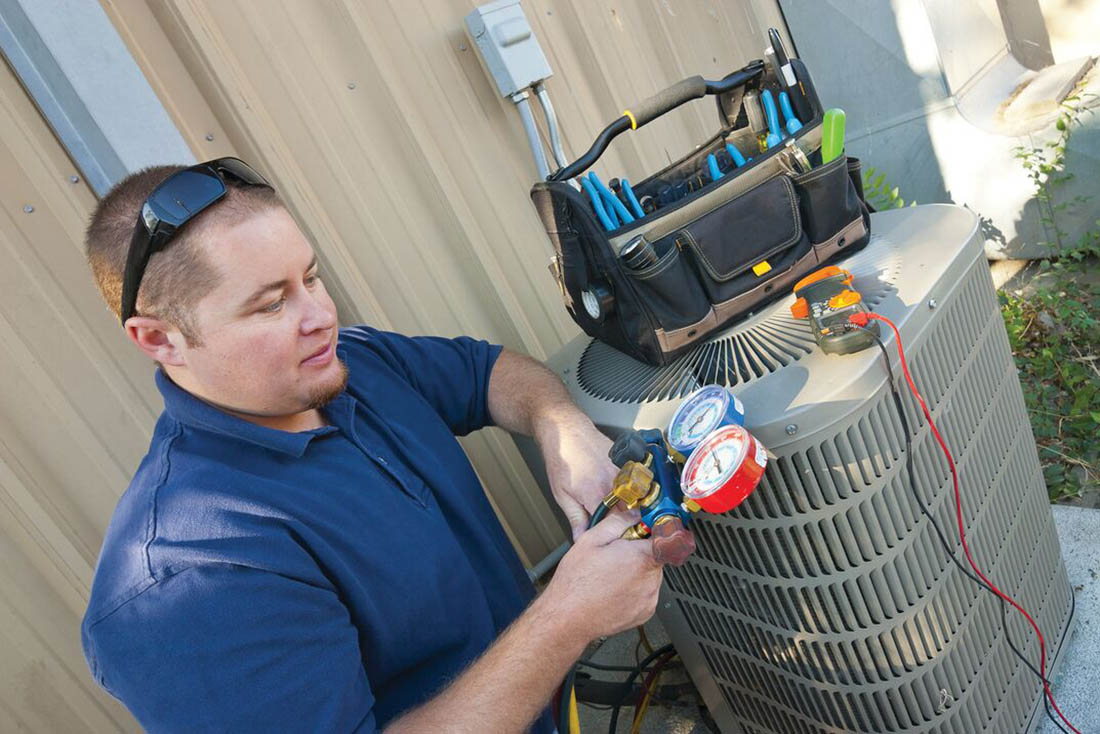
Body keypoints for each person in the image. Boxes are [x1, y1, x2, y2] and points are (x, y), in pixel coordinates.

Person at [79, 158, 663, 733]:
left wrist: (562, 428)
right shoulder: (188, 580)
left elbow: (488, 373)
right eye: (271, 304)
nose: (322, 316)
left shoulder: (352, 364)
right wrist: (567, 619)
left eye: (310, 277)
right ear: (160, 339)